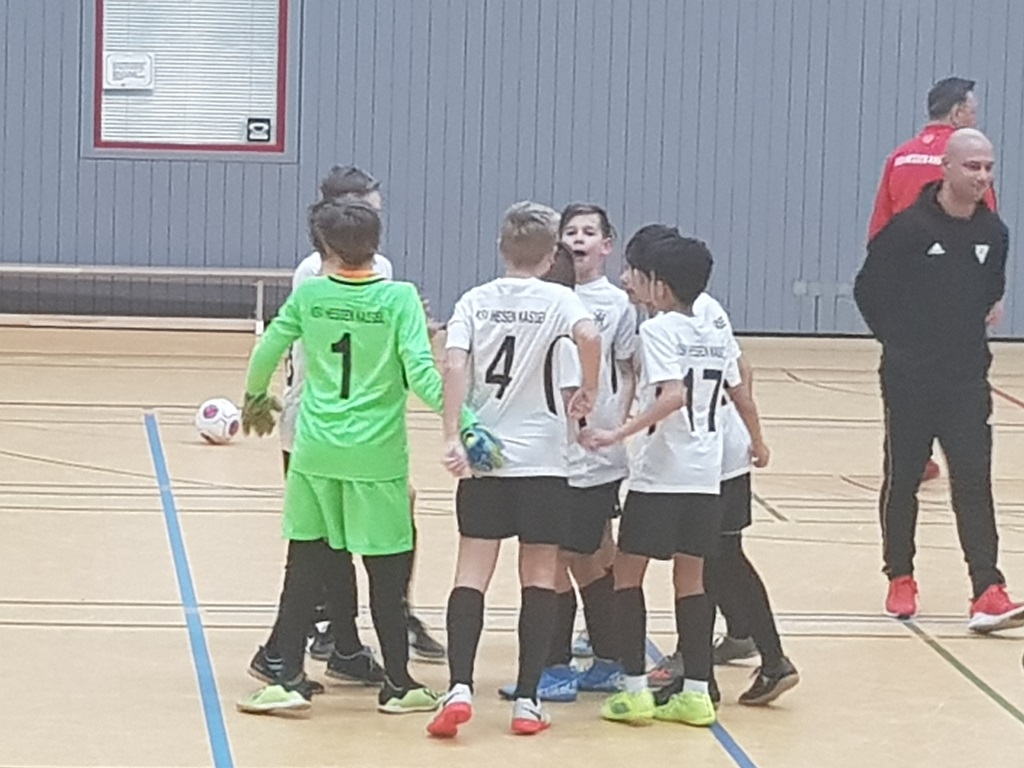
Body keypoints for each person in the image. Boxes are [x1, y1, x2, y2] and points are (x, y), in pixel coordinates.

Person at [236, 197, 453, 715]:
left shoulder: (311, 294)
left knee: (304, 564)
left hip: (315, 451)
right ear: (377, 244)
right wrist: (464, 420)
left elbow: (267, 350)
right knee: (386, 570)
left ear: (325, 248)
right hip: (375, 457)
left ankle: (287, 678)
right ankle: (399, 685)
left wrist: (255, 396)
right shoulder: (399, 298)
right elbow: (422, 373)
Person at [427, 201, 602, 738]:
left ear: (501, 248)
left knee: (470, 574)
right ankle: (528, 701)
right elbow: (591, 337)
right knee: (540, 577)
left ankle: (459, 687)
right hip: (544, 461)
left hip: (487, 459)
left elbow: (454, 365)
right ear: (551, 256)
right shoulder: (560, 299)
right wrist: (590, 390)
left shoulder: (475, 300)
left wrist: (452, 435)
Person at [581, 229, 769, 727]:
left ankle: (634, 690)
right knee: (692, 580)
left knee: (627, 575)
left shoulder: (659, 330)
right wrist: (759, 441)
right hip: (706, 476)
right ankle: (697, 693)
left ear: (659, 287)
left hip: (661, 474)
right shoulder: (713, 330)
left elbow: (672, 395)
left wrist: (617, 432)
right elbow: (741, 392)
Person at [275, 164, 446, 670]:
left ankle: (339, 637)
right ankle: (332, 636)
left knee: (331, 537)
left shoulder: (357, 272)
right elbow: (373, 348)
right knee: (329, 540)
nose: (377, 215)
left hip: (334, 418)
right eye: (369, 207)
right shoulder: (321, 274)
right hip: (322, 416)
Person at [854, 128, 1024, 630]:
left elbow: (989, 292)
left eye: (988, 167)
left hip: (967, 381)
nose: (982, 176)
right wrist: (901, 343)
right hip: (909, 379)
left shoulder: (994, 233)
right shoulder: (908, 229)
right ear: (946, 168)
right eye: (972, 166)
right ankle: (900, 575)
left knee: (973, 481)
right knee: (903, 477)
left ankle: (988, 588)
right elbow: (868, 290)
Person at [499, 205, 637, 702]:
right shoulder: (546, 303)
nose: (578, 239)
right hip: (565, 455)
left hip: (587, 453)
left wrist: (615, 426)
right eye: (570, 232)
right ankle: (609, 654)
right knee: (585, 557)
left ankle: (559, 665)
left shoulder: (609, 306)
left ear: (605, 244)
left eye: (588, 232)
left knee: (565, 558)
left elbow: (626, 371)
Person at [869, 76, 1001, 485]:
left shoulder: (899, 157)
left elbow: (880, 226)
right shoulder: (965, 160)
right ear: (958, 113)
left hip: (904, 289)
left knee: (903, 377)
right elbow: (986, 222)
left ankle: (911, 454)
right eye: (972, 111)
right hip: (953, 287)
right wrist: (991, 293)